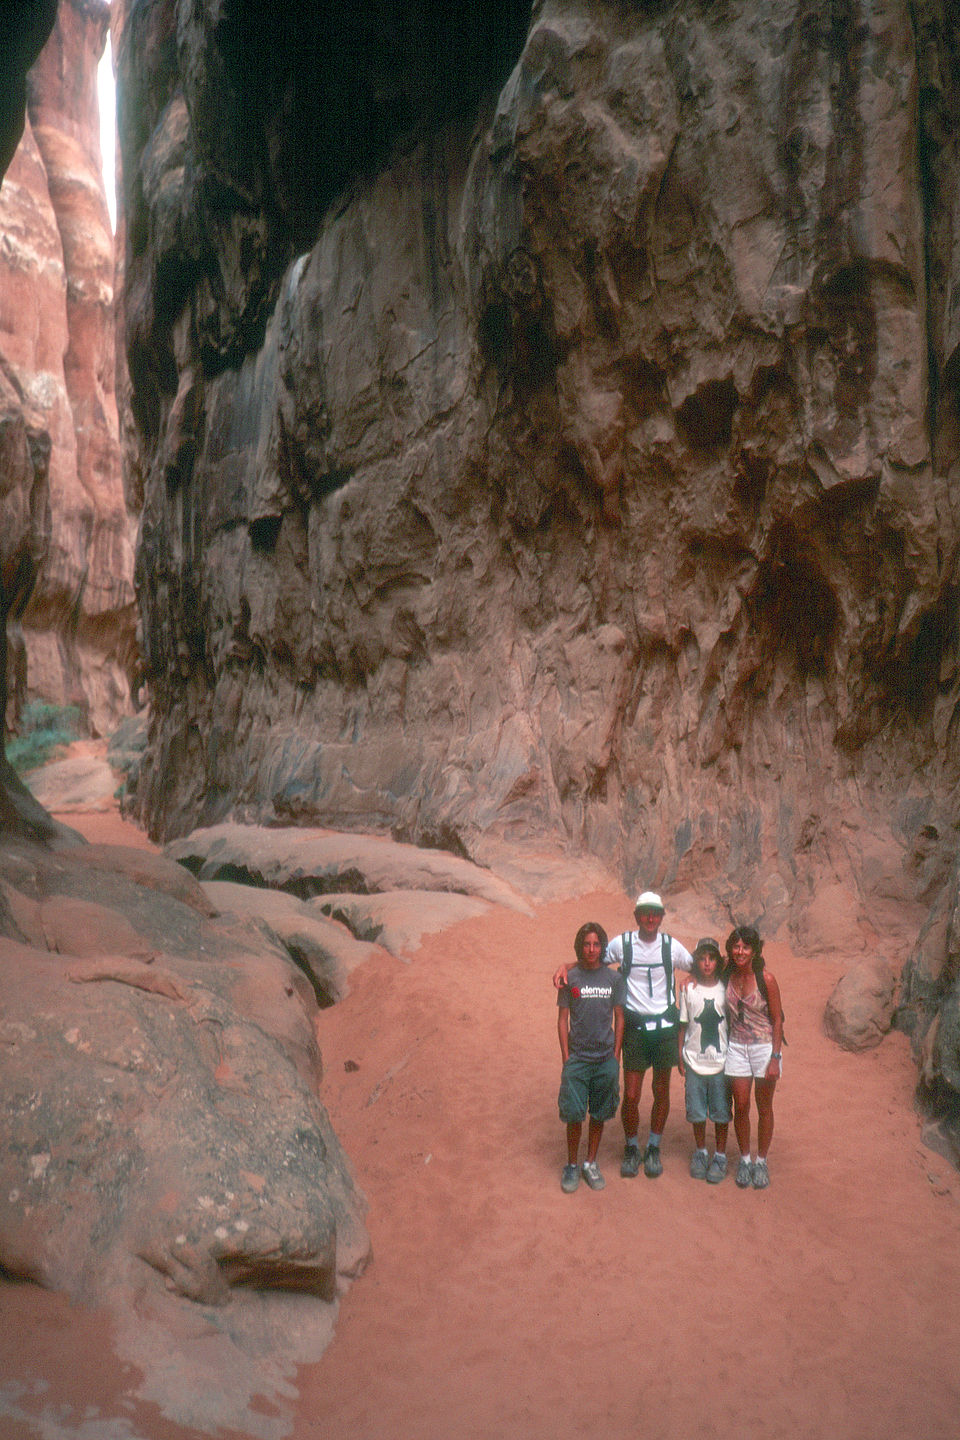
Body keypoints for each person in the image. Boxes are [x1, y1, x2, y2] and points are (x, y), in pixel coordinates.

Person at [556, 891, 693, 1178]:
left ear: (662, 916)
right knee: (631, 1095)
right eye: (645, 912)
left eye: (655, 913)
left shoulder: (671, 946)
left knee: (661, 1091)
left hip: (665, 1028)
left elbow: (699, 966)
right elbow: (590, 960)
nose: (651, 918)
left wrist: (692, 976)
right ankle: (632, 1146)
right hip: (635, 1027)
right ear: (636, 916)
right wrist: (565, 966)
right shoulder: (623, 944)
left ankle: (653, 1146)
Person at [557, 922, 625, 1192]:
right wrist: (566, 1057)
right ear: (580, 946)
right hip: (578, 1059)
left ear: (602, 947)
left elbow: (620, 1018)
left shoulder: (613, 979)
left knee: (599, 1113)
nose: (592, 949)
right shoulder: (570, 980)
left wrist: (615, 1056)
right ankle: (572, 1165)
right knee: (574, 1114)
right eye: (587, 944)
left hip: (605, 1058)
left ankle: (590, 1162)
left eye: (597, 944)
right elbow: (562, 1020)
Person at [723, 925, 783, 1190]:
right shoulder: (728, 975)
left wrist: (775, 1057)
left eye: (746, 947)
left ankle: (761, 1161)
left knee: (764, 1105)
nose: (740, 951)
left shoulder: (766, 979)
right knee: (742, 1104)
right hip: (736, 1046)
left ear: (755, 950)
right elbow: (704, 967)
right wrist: (690, 978)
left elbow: (778, 1019)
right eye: (736, 946)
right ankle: (745, 1159)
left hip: (763, 1047)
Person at [677, 937, 731, 1183]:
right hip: (694, 1060)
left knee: (720, 1112)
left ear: (718, 961)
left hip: (720, 1062)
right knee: (697, 1112)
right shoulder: (689, 989)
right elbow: (683, 1024)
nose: (707, 963)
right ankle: (701, 1151)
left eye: (711, 958)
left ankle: (720, 1155)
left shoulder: (726, 989)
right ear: (696, 961)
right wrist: (680, 1054)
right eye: (702, 958)